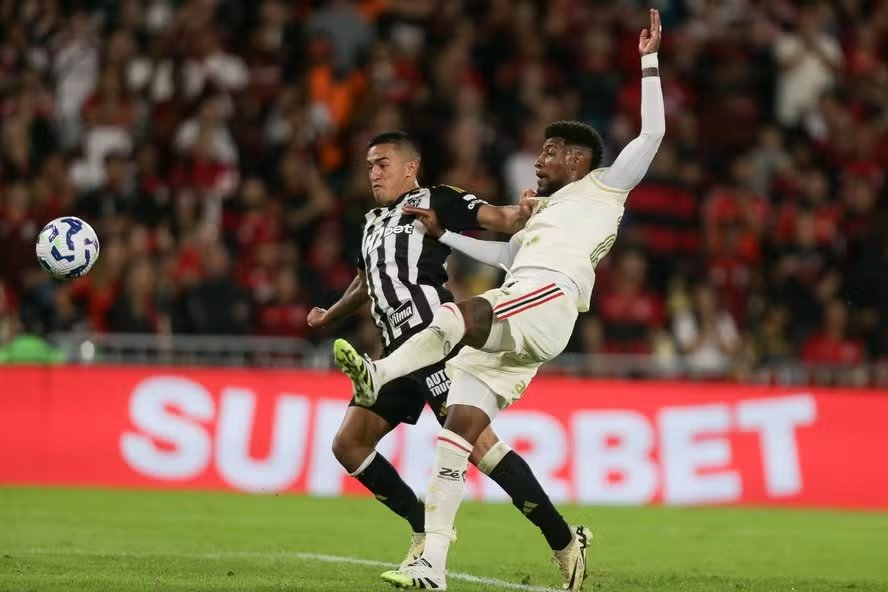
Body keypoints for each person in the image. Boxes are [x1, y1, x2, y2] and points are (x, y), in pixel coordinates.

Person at [333, 10, 666, 590]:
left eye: (552, 150)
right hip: (520, 305)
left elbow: (653, 134)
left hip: (550, 299)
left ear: (579, 161)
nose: (540, 158)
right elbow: (503, 258)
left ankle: (378, 371)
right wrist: (446, 236)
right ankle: (448, 563)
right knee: (455, 437)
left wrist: (648, 60)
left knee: (457, 316)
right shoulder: (543, 215)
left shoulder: (604, 187)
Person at [308, 131, 581, 584]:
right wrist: (329, 316)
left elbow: (502, 218)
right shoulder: (373, 220)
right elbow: (364, 282)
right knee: (348, 445)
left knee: (482, 451)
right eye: (369, 166)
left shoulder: (438, 199)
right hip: (394, 350)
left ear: (410, 166)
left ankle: (564, 541)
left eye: (382, 164)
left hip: (438, 343)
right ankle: (423, 531)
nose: (373, 173)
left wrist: (525, 211)